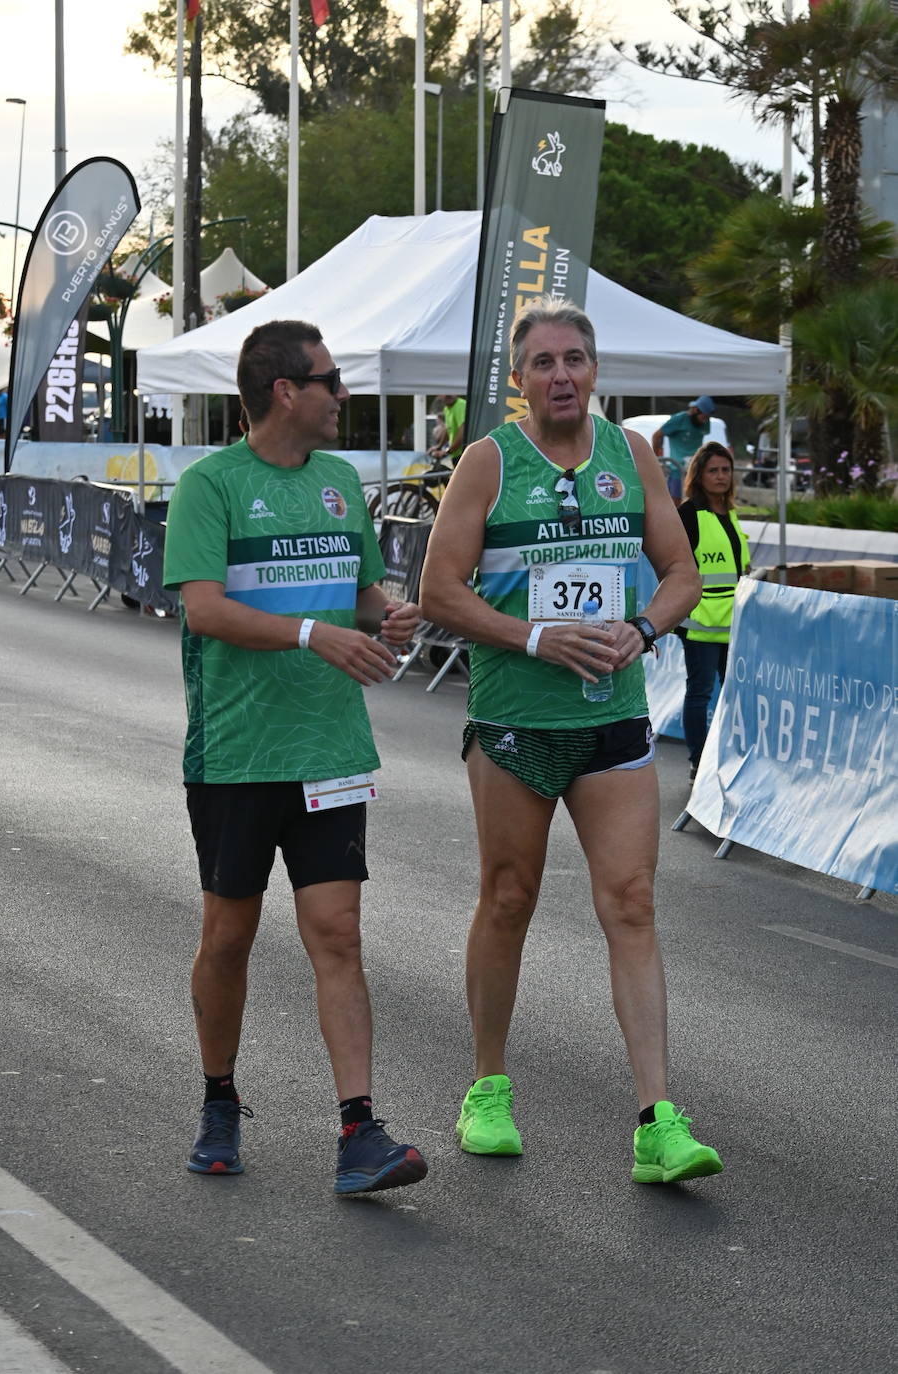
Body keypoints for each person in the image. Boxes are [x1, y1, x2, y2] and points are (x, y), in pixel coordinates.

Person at [420, 295, 723, 1184]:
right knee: (508, 898)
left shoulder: (631, 456)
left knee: (629, 903)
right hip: (517, 722)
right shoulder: (488, 462)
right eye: (543, 363)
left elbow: (681, 572)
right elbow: (439, 590)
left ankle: (657, 1120)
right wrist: (534, 636)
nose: (561, 375)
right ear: (519, 382)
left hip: (613, 721)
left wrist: (644, 628)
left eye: (575, 360)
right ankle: (486, 1087)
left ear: (596, 371)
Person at [162, 319, 427, 1195]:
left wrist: (385, 615)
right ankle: (219, 1099)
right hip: (237, 754)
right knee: (229, 937)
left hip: (329, 747)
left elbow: (359, 592)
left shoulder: (341, 484)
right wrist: (314, 633)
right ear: (286, 391)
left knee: (338, 934)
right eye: (330, 380)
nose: (342, 395)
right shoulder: (211, 487)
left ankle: (359, 1130)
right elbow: (204, 610)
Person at [676, 441, 750, 783]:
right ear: (699, 476)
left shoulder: (731, 514)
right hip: (702, 624)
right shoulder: (689, 514)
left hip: (734, 624)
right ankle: (698, 762)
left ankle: (726, 757)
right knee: (700, 693)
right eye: (713, 470)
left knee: (733, 694)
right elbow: (675, 567)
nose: (721, 476)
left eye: (726, 470)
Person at [652, 396, 715, 503]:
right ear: (696, 410)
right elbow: (657, 436)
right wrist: (657, 459)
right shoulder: (679, 419)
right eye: (704, 417)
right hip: (677, 469)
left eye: (707, 417)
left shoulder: (706, 421)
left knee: (699, 501)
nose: (705, 421)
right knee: (676, 502)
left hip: (696, 468)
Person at [429, 394, 467, 463]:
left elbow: (463, 432)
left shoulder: (461, 405)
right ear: (439, 396)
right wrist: (439, 446)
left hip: (464, 454)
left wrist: (447, 451)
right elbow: (448, 430)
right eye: (444, 393)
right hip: (456, 455)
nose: (448, 394)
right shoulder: (446, 409)